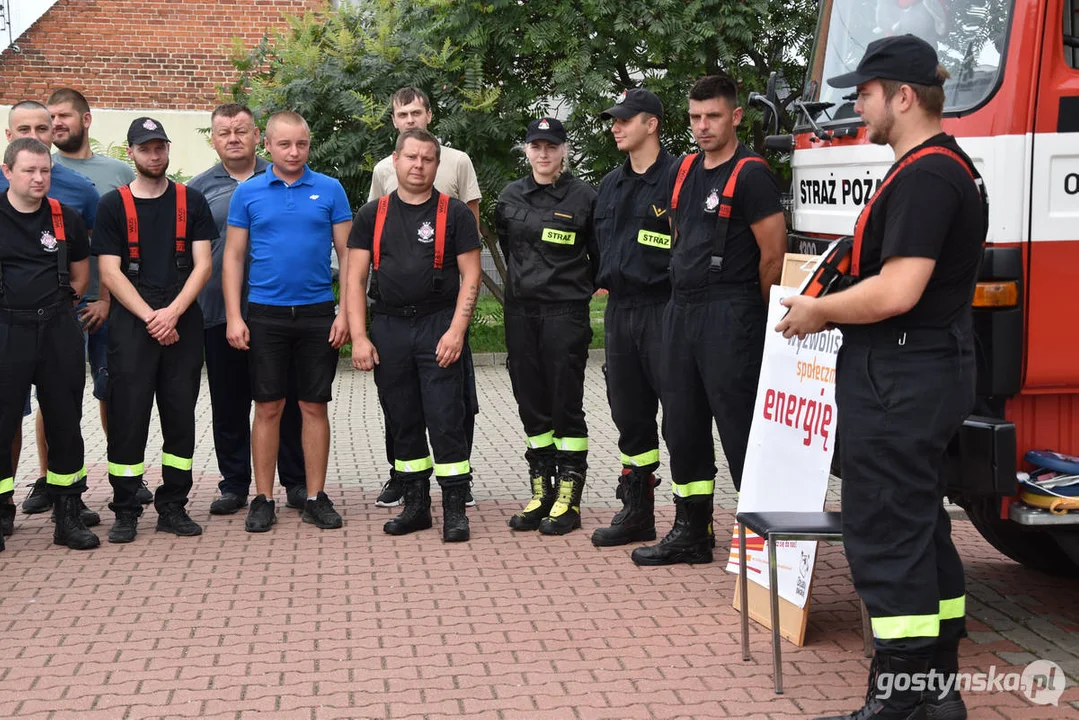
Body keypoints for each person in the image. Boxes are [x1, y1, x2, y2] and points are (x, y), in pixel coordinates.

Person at [777, 35, 985, 720]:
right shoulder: (935, 167)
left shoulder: (926, 174)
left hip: (899, 376)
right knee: (918, 527)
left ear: (901, 95)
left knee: (887, 533)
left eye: (863, 92)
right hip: (915, 372)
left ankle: (896, 701)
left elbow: (898, 289)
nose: (853, 104)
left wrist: (818, 311)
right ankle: (934, 691)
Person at [631, 75, 786, 567]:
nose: (703, 126)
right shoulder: (683, 172)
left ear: (735, 116)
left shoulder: (753, 174)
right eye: (695, 118)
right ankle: (691, 531)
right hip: (682, 310)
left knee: (739, 428)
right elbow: (680, 235)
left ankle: (763, 544)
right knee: (682, 424)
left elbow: (773, 256)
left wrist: (757, 319)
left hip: (731, 312)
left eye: (713, 116)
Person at [347, 127, 482, 542]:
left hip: (438, 324)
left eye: (427, 159)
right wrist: (360, 336)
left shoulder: (455, 213)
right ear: (396, 160)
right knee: (402, 418)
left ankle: (455, 509)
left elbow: (471, 274)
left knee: (446, 418)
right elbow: (354, 279)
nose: (418, 165)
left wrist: (457, 331)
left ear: (437, 165)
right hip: (388, 326)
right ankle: (416, 505)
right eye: (411, 157)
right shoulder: (372, 214)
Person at [224, 111, 351, 534]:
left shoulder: (331, 189)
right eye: (285, 145)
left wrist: (346, 313)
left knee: (314, 406)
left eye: (301, 144)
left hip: (317, 314)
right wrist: (233, 317)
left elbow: (351, 257)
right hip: (265, 315)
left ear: (309, 144)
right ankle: (263, 498)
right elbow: (234, 258)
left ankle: (315, 496)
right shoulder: (249, 193)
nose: (294, 152)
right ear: (268, 146)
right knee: (268, 407)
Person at [95, 117, 215, 543]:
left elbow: (204, 265)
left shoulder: (192, 201)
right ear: (131, 152)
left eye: (160, 147)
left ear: (167, 150)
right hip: (133, 324)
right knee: (128, 419)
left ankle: (173, 506)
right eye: (145, 148)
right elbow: (109, 272)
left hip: (182, 323)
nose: (154, 155)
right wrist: (152, 316)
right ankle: (126, 509)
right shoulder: (113, 206)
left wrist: (172, 313)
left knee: (180, 418)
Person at [188, 103, 308, 516]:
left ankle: (295, 481)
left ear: (258, 135)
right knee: (230, 401)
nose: (234, 138)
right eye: (225, 132)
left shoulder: (281, 174)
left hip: (278, 311)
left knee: (285, 400)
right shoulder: (197, 189)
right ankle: (235, 483)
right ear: (214, 139)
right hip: (221, 312)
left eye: (241, 130)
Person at [41, 89, 152, 514]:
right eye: (48, 118)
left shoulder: (117, 173)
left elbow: (120, 245)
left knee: (114, 389)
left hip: (108, 304)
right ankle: (50, 478)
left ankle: (124, 473)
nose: (56, 125)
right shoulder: (38, 169)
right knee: (56, 396)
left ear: (86, 120)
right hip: (53, 308)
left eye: (63, 116)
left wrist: (107, 298)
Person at [0, 101, 101, 532]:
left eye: (44, 171)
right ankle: (2, 510)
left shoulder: (67, 218)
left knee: (64, 420)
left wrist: (57, 308)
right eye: (28, 172)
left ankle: (68, 513)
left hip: (59, 327)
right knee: (2, 422)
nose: (39, 179)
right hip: (7, 329)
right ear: (8, 172)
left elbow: (81, 273)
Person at [495, 117, 598, 536]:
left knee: (564, 404)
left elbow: (598, 255)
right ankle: (543, 491)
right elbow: (507, 245)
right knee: (530, 402)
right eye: (535, 146)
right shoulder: (510, 195)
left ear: (564, 151)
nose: (543, 154)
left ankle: (569, 498)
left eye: (551, 147)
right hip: (521, 313)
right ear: (526, 150)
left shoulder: (584, 198)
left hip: (564, 314)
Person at [589, 88, 676, 548]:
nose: (615, 126)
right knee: (629, 414)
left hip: (664, 307)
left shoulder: (680, 178)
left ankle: (691, 520)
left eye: (625, 119)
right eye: (613, 120)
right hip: (620, 310)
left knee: (679, 416)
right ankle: (637, 511)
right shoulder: (610, 185)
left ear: (652, 123)